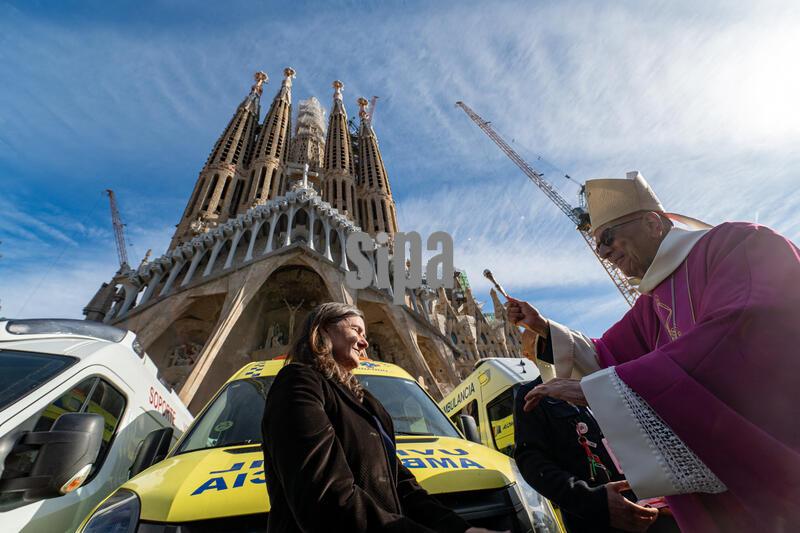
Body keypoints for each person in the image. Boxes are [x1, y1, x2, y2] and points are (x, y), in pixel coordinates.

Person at [507, 171, 800, 532]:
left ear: (652, 223)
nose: (603, 252)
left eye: (608, 237)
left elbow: (741, 330)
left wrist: (604, 389)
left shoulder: (738, 245)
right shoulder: (651, 304)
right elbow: (609, 355)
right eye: (596, 244)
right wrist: (544, 328)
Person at [261, 302, 504, 533]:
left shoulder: (366, 402)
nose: (365, 342)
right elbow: (325, 499)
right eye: (356, 330)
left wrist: (462, 529)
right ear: (323, 328)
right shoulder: (299, 381)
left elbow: (401, 486)